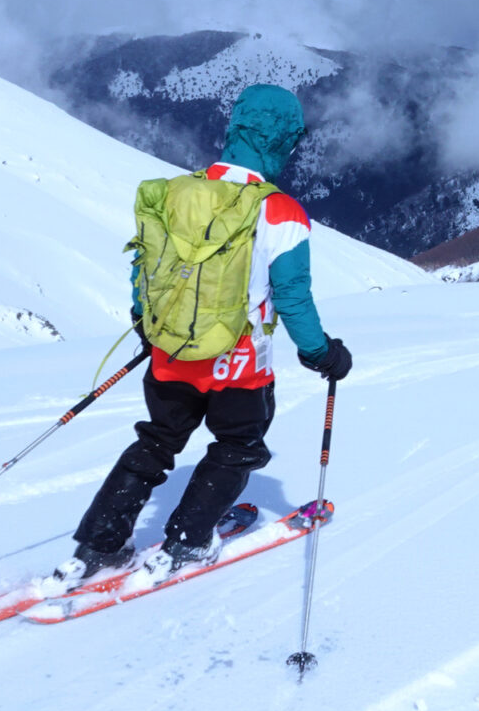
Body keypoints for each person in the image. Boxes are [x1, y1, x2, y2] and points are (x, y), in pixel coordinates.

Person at [52, 85, 352, 590]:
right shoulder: (280, 212)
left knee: (156, 442)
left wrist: (149, 326)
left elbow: (145, 272)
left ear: (234, 126)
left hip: (170, 355)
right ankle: (188, 541)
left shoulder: (176, 192)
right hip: (238, 366)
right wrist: (323, 354)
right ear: (284, 141)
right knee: (237, 444)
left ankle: (98, 544)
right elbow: (293, 298)